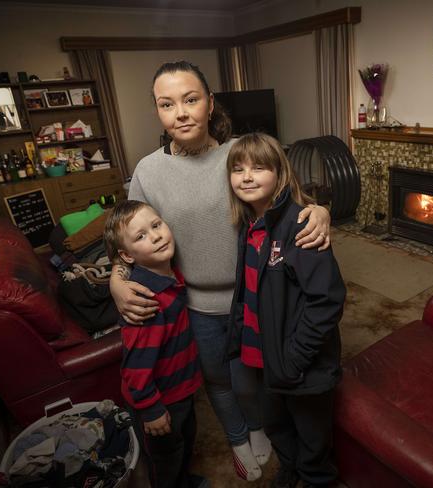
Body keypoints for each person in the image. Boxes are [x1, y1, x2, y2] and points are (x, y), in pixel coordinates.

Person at [110, 60, 332, 481]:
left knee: (258, 375)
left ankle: (258, 426)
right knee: (218, 378)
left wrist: (319, 211)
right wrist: (115, 280)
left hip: (254, 294)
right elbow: (126, 236)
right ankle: (237, 437)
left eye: (191, 99)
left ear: (210, 104)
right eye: (166, 104)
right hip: (194, 302)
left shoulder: (239, 156)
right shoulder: (148, 171)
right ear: (157, 111)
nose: (181, 112)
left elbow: (289, 197)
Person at [225, 133, 346, 488]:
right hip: (264, 360)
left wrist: (293, 358)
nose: (246, 176)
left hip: (299, 367)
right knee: (277, 426)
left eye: (258, 167)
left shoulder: (301, 225)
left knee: (313, 444)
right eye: (238, 169)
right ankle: (289, 471)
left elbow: (326, 301)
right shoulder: (249, 227)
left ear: (280, 174)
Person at [104, 200, 204, 488]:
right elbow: (135, 367)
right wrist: (151, 410)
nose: (157, 235)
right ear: (126, 255)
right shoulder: (146, 302)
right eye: (141, 236)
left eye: (156, 225)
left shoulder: (168, 276)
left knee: (184, 444)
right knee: (166, 460)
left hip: (181, 390)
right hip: (160, 400)